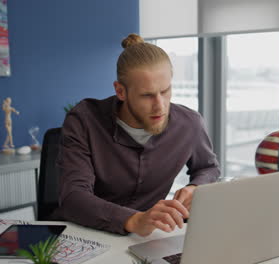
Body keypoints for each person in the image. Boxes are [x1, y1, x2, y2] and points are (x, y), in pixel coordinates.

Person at [53, 33, 220, 236]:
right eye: (147, 95)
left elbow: (208, 168)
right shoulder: (84, 120)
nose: (160, 106)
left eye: (165, 91)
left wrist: (195, 187)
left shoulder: (190, 123)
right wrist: (133, 219)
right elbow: (73, 196)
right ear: (120, 91)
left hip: (144, 238)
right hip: (84, 234)